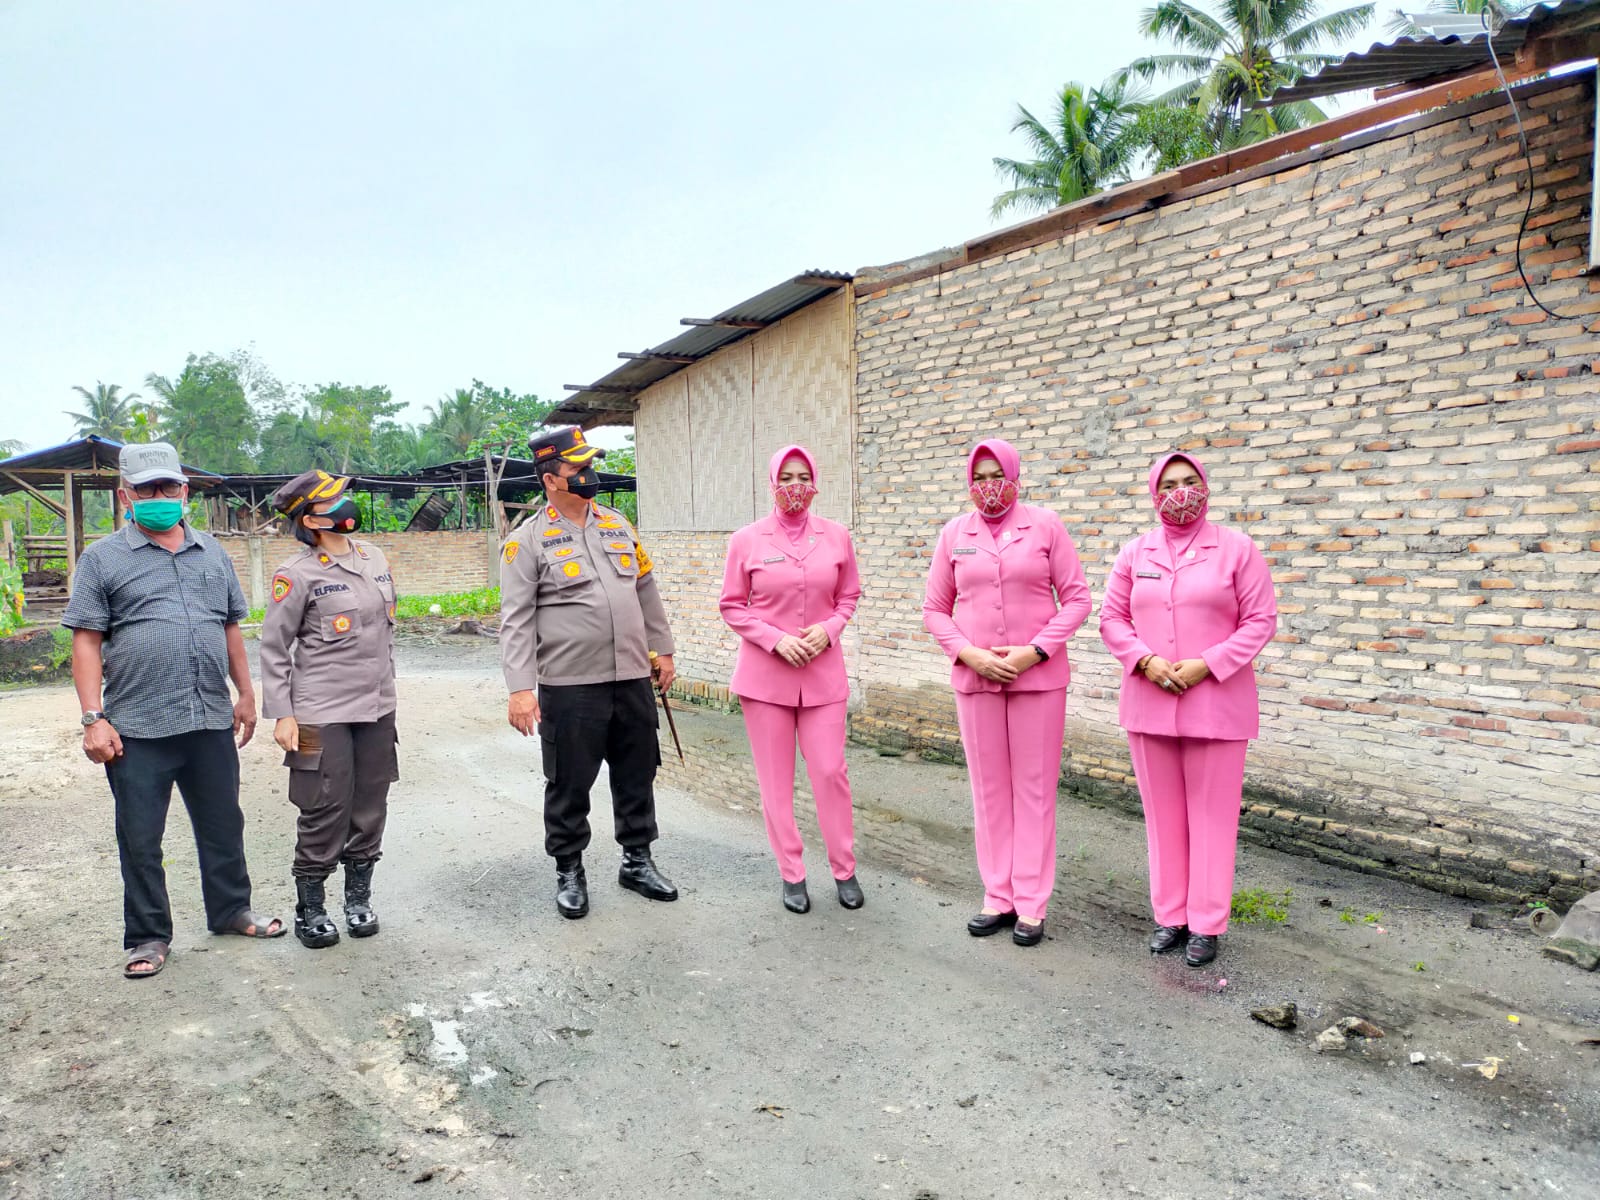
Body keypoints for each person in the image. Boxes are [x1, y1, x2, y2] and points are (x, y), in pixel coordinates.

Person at [63, 441, 284, 979]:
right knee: (140, 837)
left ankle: (231, 910)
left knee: (223, 825)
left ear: (185, 492)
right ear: (126, 496)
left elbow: (230, 627)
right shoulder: (102, 559)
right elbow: (87, 642)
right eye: (147, 490)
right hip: (136, 726)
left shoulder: (213, 554)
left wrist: (247, 693)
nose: (159, 497)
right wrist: (94, 718)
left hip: (208, 717)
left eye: (168, 487)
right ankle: (148, 936)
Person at [1098, 452, 1278, 968]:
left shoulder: (1237, 550)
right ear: (1155, 495)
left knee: (1212, 819)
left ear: (1205, 487)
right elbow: (1112, 619)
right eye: (1170, 484)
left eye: (1190, 482)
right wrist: (1145, 661)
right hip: (1150, 700)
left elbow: (1260, 620)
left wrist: (1208, 663)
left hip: (1217, 702)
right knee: (1164, 817)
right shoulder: (1135, 553)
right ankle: (1170, 916)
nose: (1181, 492)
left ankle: (1205, 924)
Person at [501, 425, 679, 918]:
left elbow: (645, 589)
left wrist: (662, 649)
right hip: (570, 684)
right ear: (550, 479)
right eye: (578, 468)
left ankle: (637, 861)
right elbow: (516, 621)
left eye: (589, 465)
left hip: (630, 677)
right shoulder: (527, 542)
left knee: (637, 770)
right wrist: (520, 689)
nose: (589, 474)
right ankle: (569, 870)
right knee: (569, 781)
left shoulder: (619, 525)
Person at [922, 438, 1092, 947]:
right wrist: (966, 652)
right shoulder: (956, 533)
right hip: (976, 680)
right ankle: (998, 895)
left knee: (1034, 791)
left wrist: (1034, 651)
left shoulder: (1045, 526)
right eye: (979, 476)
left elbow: (1078, 599)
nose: (987, 485)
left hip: (1037, 679)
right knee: (989, 789)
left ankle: (1032, 902)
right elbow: (934, 607)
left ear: (1015, 476)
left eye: (997, 474)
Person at [719, 445, 864, 915]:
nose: (795, 485)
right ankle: (792, 873)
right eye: (787, 477)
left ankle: (844, 868)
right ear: (772, 483)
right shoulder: (747, 540)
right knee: (776, 782)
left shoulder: (837, 537)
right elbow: (732, 605)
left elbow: (849, 596)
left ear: (816, 481)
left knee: (829, 772)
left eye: (803, 476)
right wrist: (774, 639)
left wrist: (829, 629)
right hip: (766, 679)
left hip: (823, 675)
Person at [258, 469, 400, 950]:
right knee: (323, 807)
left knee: (370, 805)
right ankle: (311, 906)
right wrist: (283, 713)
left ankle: (358, 898)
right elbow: (274, 648)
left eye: (345, 496)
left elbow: (385, 634)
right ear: (312, 518)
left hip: (378, 707)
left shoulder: (374, 559)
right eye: (335, 500)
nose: (347, 504)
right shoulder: (296, 575)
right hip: (319, 711)